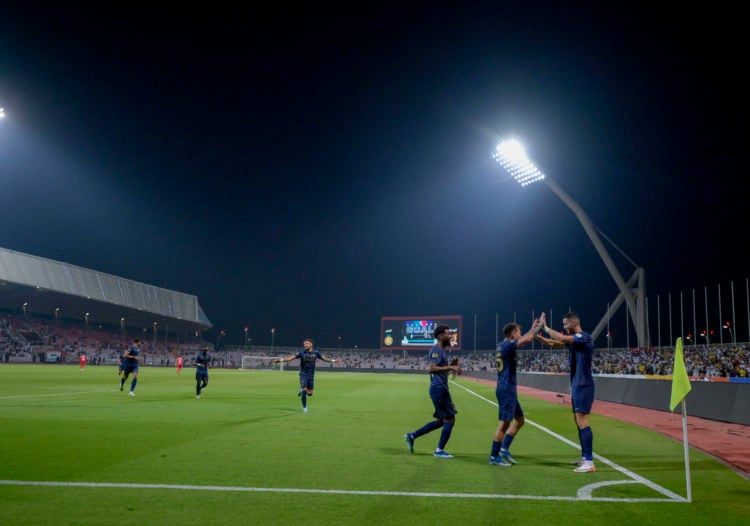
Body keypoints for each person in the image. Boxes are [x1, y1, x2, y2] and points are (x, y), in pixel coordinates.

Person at [536, 311, 596, 473]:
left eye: (565, 324)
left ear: (574, 323)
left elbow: (561, 338)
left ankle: (589, 462)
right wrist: (536, 335)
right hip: (577, 384)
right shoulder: (575, 341)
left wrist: (546, 327)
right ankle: (585, 457)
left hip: (584, 384)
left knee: (583, 421)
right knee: (578, 421)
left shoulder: (584, 337)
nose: (563, 327)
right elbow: (552, 343)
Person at [489, 314, 542, 467]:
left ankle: (504, 449)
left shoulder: (503, 345)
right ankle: (494, 457)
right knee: (503, 425)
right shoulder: (507, 345)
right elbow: (528, 339)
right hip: (506, 389)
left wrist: (532, 329)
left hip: (507, 388)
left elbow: (525, 339)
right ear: (512, 334)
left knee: (519, 420)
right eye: (518, 331)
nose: (519, 334)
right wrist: (537, 328)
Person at [404, 324, 462, 459]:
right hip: (439, 388)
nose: (450, 336)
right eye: (448, 333)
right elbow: (432, 368)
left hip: (439, 388)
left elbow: (441, 368)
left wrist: (451, 365)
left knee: (442, 421)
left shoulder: (442, 351)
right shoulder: (436, 350)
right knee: (450, 419)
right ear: (441, 336)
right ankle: (439, 450)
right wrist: (451, 367)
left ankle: (412, 436)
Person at [274, 338, 338, 413]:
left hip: (311, 376)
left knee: (310, 393)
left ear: (311, 344)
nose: (305, 345)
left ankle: (301, 389)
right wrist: (280, 360)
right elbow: (291, 358)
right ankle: (305, 408)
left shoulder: (316, 353)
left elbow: (324, 359)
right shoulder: (301, 353)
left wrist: (334, 361)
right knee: (304, 390)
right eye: (304, 344)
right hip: (303, 374)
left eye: (306, 343)